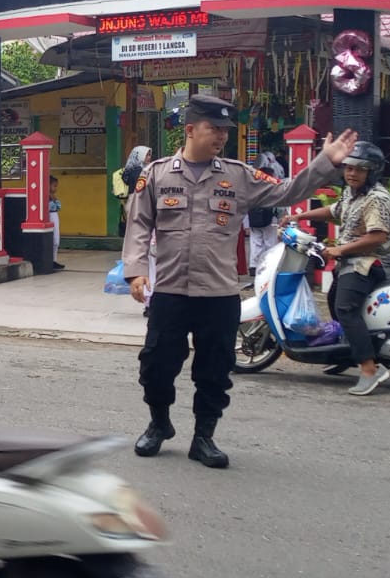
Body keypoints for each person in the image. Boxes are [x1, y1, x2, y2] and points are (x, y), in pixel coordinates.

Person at [123, 95, 356, 469]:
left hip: (219, 295)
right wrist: (137, 272)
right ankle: (159, 423)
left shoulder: (238, 176)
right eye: (214, 128)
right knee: (156, 367)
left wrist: (324, 162)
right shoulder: (157, 175)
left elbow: (287, 191)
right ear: (190, 129)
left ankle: (204, 437)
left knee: (214, 371)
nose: (221, 136)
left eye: (225, 130)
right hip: (169, 292)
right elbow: (138, 225)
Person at [282, 142, 390, 395]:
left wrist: (339, 250)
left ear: (372, 172)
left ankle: (370, 369)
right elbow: (334, 211)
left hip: (369, 263)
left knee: (345, 309)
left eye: (359, 169)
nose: (352, 173)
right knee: (334, 304)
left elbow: (377, 236)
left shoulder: (377, 198)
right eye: (348, 168)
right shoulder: (352, 193)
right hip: (351, 262)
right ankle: (347, 355)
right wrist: (299, 216)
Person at [243, 151, 289, 272]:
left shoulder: (252, 187)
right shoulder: (272, 187)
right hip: (269, 218)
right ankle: (268, 265)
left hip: (253, 218)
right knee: (270, 242)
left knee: (255, 242)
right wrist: (281, 216)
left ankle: (254, 265)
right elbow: (278, 204)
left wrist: (245, 223)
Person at [113, 146, 154, 237]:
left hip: (131, 201)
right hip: (139, 201)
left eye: (149, 155)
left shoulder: (129, 170)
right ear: (140, 156)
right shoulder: (139, 171)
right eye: (146, 155)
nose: (149, 157)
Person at [47, 176, 65, 270]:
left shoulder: (53, 197)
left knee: (56, 240)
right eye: (54, 186)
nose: (56, 188)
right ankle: (50, 260)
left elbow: (58, 206)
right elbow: (53, 207)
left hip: (54, 216)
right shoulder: (46, 197)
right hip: (50, 215)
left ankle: (54, 260)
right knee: (53, 239)